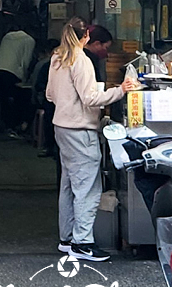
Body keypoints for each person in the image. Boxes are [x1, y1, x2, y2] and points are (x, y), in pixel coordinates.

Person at [46, 18, 139, 263]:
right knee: (87, 188)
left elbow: (49, 94)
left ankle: (67, 239)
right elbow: (90, 99)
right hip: (80, 130)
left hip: (61, 127)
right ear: (86, 36)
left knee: (68, 185)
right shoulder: (81, 60)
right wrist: (121, 90)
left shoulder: (57, 58)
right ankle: (83, 243)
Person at [0, 22, 36, 138]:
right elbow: (26, 61)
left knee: (4, 100)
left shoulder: (8, 36)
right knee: (18, 100)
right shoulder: (29, 40)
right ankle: (13, 128)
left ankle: (5, 127)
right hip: (12, 73)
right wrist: (25, 78)